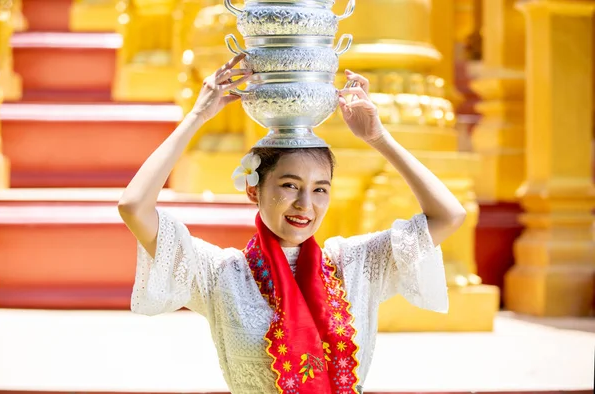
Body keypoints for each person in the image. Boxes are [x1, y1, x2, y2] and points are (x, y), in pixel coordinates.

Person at [118, 53, 466, 394]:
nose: (305, 204)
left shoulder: (355, 265)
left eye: (320, 189)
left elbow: (449, 216)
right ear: (254, 190)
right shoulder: (221, 274)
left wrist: (379, 138)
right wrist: (196, 116)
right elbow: (134, 207)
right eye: (289, 185)